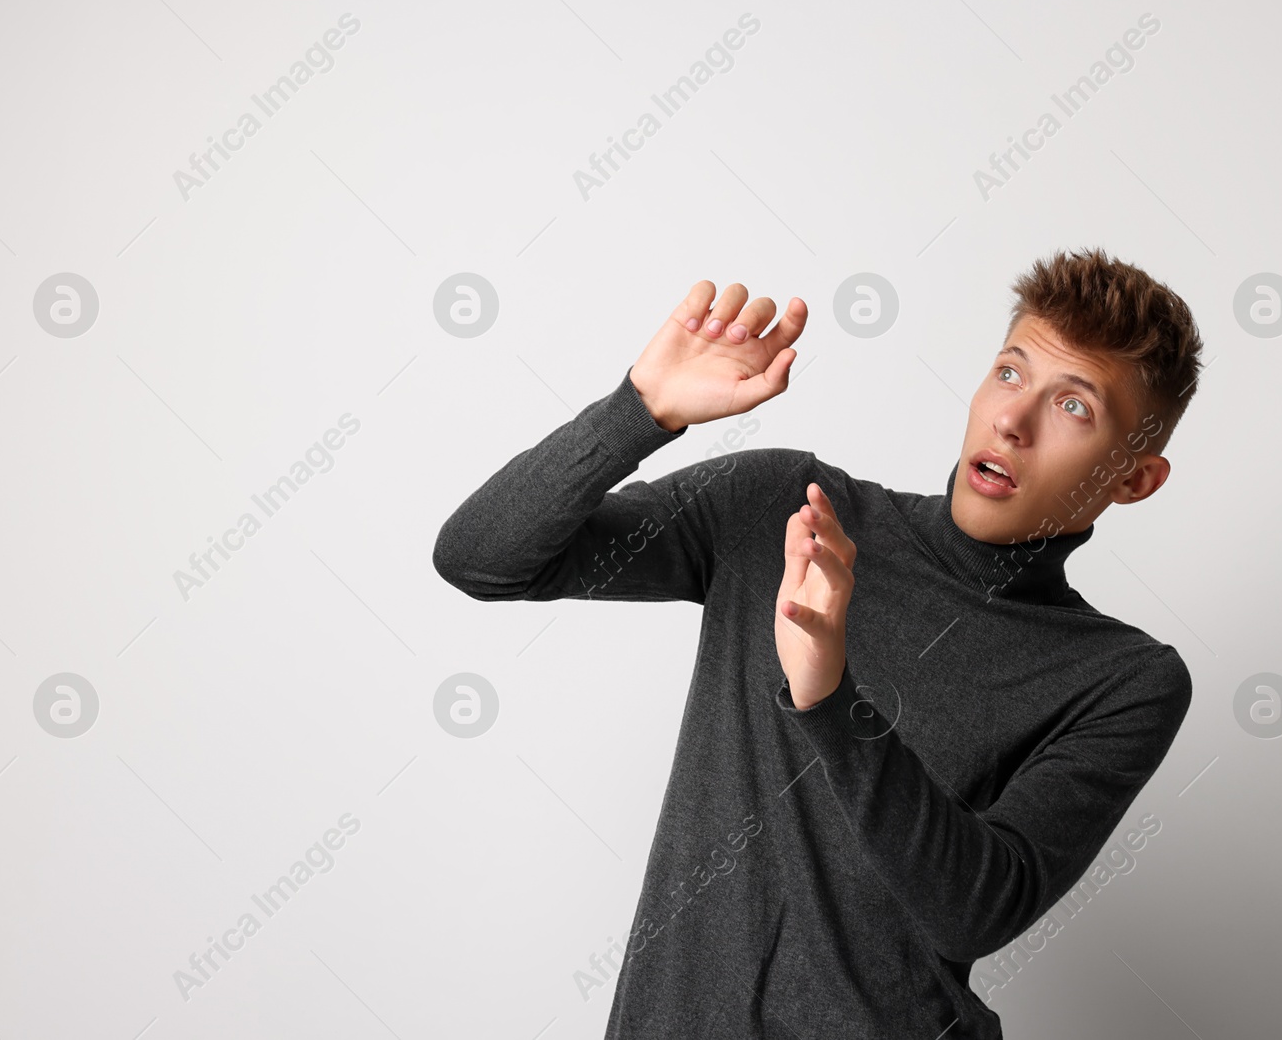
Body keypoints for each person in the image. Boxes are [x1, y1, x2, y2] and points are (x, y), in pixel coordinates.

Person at [432, 247, 1204, 1038]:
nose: (1013, 418)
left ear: (1134, 478)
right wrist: (639, 409)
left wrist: (831, 700)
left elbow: (975, 910)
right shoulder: (786, 506)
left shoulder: (1123, 679)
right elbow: (481, 559)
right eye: (1009, 373)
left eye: (1073, 406)